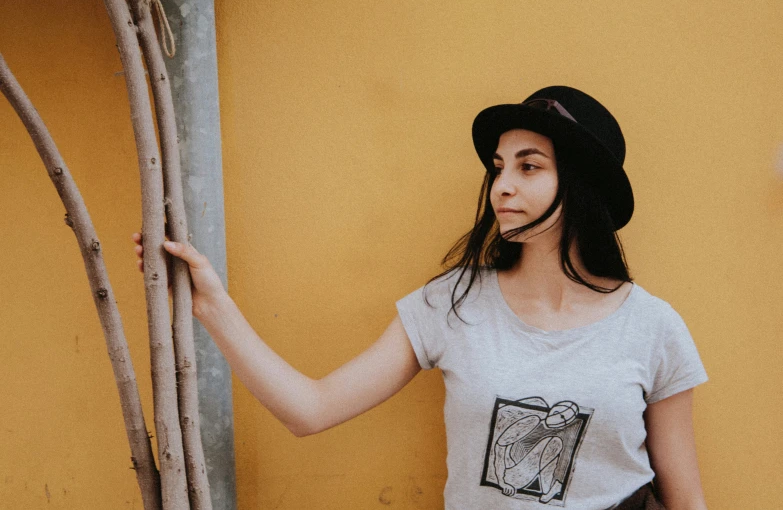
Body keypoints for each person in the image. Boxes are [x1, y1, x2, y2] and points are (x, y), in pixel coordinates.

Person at [131, 86, 709, 509]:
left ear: (580, 188)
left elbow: (684, 499)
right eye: (499, 166)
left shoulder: (652, 327)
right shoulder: (451, 305)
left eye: (529, 167)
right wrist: (211, 304)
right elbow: (309, 410)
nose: (502, 185)